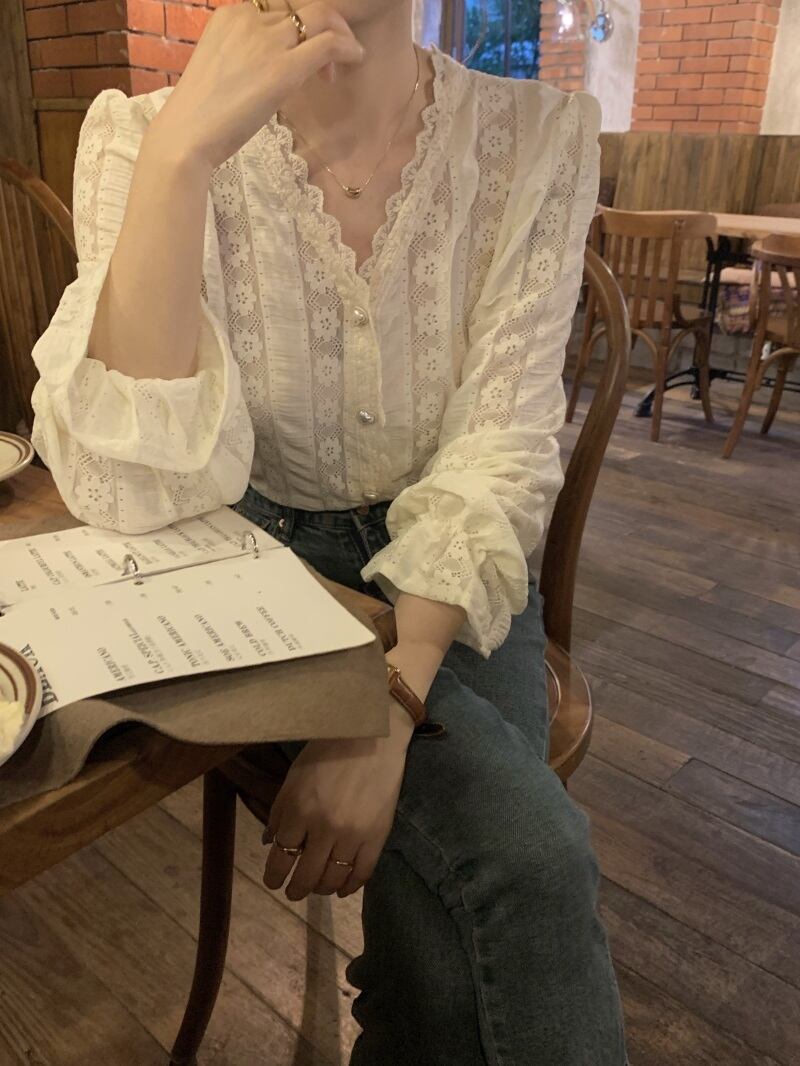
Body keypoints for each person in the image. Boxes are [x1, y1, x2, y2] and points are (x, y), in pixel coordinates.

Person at [30, 0, 627, 1061]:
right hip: (245, 561)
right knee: (523, 858)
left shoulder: (534, 136)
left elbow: (500, 445)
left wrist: (387, 703)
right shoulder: (138, 135)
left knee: (495, 885)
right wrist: (181, 158)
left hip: (451, 563)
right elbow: (130, 490)